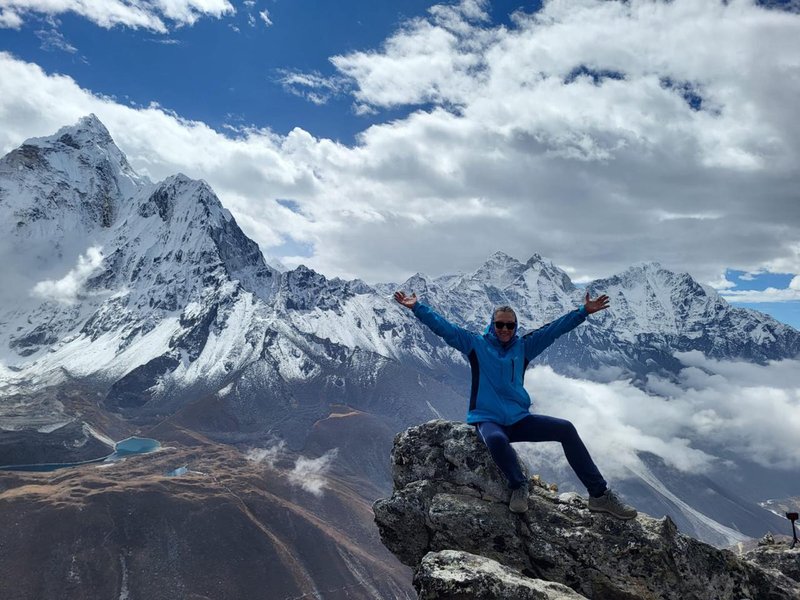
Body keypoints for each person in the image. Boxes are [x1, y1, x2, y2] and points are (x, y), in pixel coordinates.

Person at [394, 290, 637, 519]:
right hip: (487, 418)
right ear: (492, 324)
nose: (504, 329)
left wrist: (583, 312)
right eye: (500, 324)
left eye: (510, 325)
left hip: (519, 419)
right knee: (497, 440)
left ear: (515, 326)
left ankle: (599, 495)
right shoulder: (475, 345)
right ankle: (519, 485)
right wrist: (417, 307)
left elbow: (553, 330)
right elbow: (444, 328)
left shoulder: (525, 347)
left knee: (566, 429)